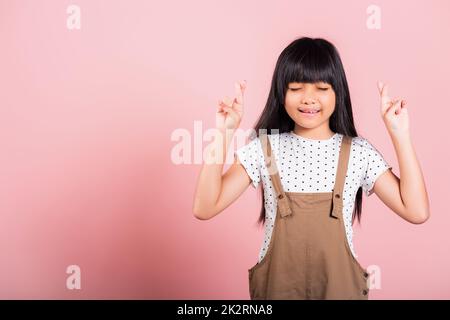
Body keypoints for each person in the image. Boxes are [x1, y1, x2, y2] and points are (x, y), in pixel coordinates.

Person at [192, 37, 430, 300]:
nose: (308, 99)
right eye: (295, 88)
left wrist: (400, 135)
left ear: (338, 92)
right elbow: (205, 207)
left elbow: (416, 210)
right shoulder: (264, 149)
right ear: (281, 93)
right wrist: (224, 132)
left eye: (321, 88)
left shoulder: (359, 152)